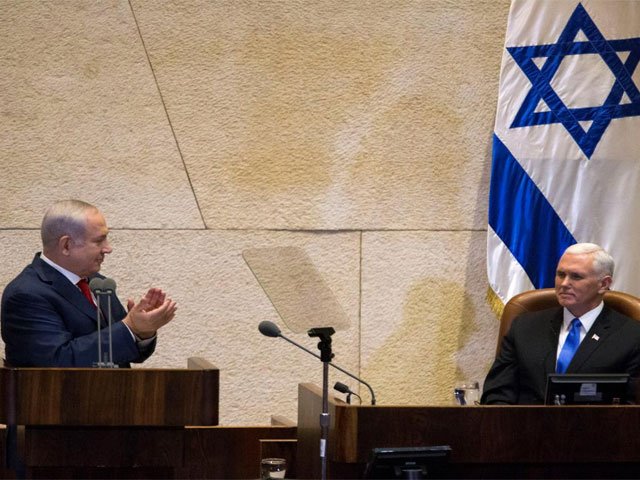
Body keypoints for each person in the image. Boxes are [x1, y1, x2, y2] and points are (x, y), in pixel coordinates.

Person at [1, 199, 177, 367]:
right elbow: (58, 362)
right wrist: (130, 327)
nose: (108, 248)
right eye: (99, 241)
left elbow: (126, 353)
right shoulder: (26, 294)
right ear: (66, 245)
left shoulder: (99, 283)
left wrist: (142, 331)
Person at [481, 243, 640, 404]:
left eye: (576, 276)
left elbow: (631, 406)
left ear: (604, 284)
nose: (564, 283)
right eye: (560, 274)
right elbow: (497, 394)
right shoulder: (524, 327)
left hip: (596, 427)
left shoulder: (631, 336)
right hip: (525, 426)